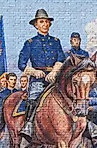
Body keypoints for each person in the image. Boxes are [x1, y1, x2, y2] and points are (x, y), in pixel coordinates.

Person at [17, 9, 66, 139]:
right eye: (41, 22)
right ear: (36, 25)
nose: (45, 24)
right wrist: (34, 72)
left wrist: (54, 72)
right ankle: (28, 125)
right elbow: (21, 64)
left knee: (69, 96)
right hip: (38, 79)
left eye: (46, 22)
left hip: (54, 78)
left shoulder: (56, 41)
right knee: (33, 99)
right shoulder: (30, 43)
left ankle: (85, 125)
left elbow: (61, 58)